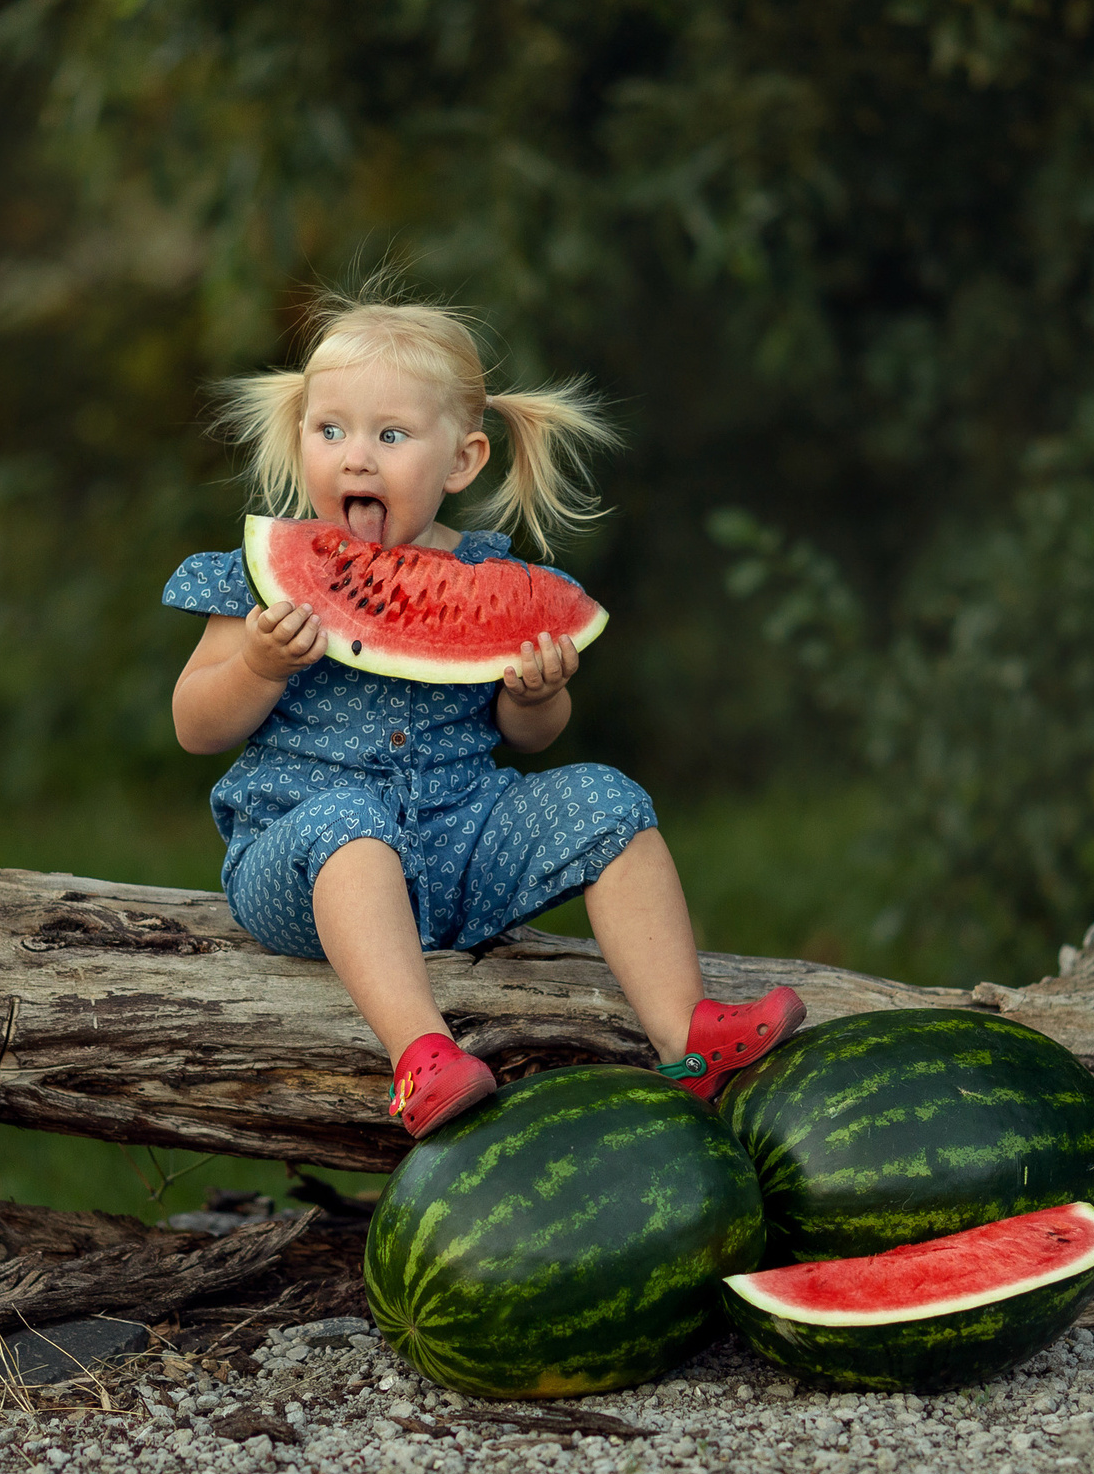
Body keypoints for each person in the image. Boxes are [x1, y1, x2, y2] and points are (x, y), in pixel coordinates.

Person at [164, 289, 802, 1137]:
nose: (356, 458)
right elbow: (194, 724)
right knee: (347, 824)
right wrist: (257, 663)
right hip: (300, 866)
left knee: (608, 800)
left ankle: (686, 1032)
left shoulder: (490, 575)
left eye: (390, 435)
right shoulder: (254, 579)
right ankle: (421, 1056)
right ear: (301, 438)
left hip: (465, 850)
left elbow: (528, 736)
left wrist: (535, 695)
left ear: (461, 461)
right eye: (331, 431)